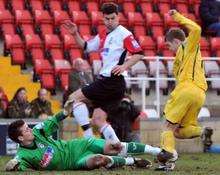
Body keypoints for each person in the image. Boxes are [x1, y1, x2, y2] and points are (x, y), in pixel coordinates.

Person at [62, 2, 144, 140]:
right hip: (111, 84)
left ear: (118, 17)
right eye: (107, 18)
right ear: (103, 18)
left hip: (111, 81)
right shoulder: (103, 34)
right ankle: (118, 148)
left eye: (113, 18)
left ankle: (88, 140)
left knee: (72, 99)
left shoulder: (124, 34)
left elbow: (139, 53)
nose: (110, 21)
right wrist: (75, 34)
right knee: (98, 120)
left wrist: (124, 66)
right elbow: (87, 47)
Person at [6, 101, 161, 171]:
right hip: (74, 163)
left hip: (78, 146)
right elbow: (14, 165)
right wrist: (10, 166)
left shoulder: (38, 131)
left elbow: (53, 120)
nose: (30, 130)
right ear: (20, 138)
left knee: (115, 145)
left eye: (28, 127)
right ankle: (132, 161)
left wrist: (66, 111)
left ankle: (158, 152)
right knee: (98, 159)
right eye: (26, 130)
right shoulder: (23, 155)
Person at [156, 10, 208, 171]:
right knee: (179, 131)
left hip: (186, 90)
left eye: (169, 44)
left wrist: (178, 17)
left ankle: (169, 155)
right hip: (199, 94)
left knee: (167, 127)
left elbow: (197, 30)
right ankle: (204, 132)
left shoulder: (187, 46)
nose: (169, 48)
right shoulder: (182, 57)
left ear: (177, 41)